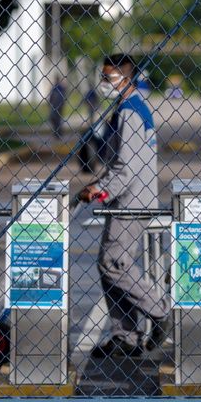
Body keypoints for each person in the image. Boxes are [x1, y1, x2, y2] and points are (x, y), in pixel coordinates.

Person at [77, 54, 169, 358]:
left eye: (109, 78)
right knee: (110, 266)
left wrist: (98, 191)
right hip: (128, 198)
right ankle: (125, 337)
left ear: (126, 78)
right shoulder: (130, 108)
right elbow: (119, 161)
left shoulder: (130, 112)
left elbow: (126, 170)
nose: (104, 83)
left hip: (131, 202)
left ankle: (158, 310)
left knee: (114, 264)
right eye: (102, 76)